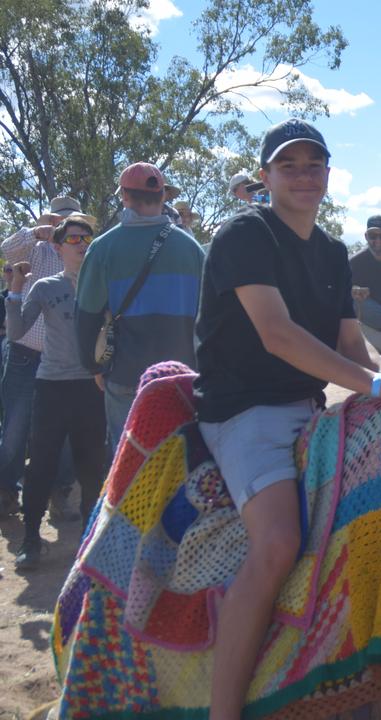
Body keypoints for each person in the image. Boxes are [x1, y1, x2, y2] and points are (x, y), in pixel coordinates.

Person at [193, 119, 381, 720]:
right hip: (245, 412)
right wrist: (374, 383)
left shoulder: (329, 251)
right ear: (266, 175)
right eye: (288, 165)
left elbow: (354, 345)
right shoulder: (244, 235)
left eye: (313, 165)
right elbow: (277, 335)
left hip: (309, 409)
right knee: (278, 543)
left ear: (327, 175)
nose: (302, 175)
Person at [76, 162, 206, 455]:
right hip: (182, 379)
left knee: (128, 467)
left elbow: (86, 314)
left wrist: (94, 365)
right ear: (162, 197)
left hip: (125, 376)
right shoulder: (192, 250)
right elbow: (209, 320)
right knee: (177, 468)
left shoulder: (102, 248)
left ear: (124, 196)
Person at [6, 213, 105, 569]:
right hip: (51, 387)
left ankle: (88, 540)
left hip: (92, 388)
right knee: (42, 465)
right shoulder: (45, 286)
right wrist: (14, 290)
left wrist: (105, 369)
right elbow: (16, 332)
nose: (81, 245)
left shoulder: (104, 283)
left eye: (87, 239)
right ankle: (31, 540)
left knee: (92, 466)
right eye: (74, 239)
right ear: (57, 246)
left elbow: (115, 331)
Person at [0, 196, 80, 518]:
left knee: (65, 429)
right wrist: (36, 232)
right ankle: (6, 489)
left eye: (69, 222)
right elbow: (7, 250)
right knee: (16, 427)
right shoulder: (34, 247)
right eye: (58, 220)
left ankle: (60, 491)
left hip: (63, 359)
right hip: (24, 355)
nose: (62, 227)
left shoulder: (80, 253)